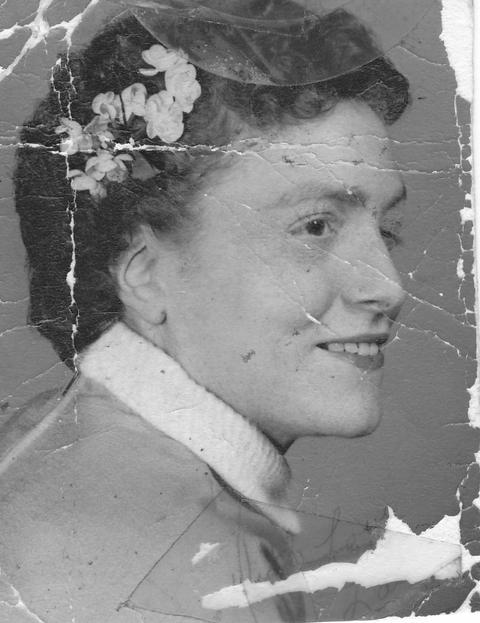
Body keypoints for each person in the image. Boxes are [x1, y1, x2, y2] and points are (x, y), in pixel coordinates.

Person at [0, 1, 466, 621]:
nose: (389, 287)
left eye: (387, 230)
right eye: (316, 226)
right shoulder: (191, 561)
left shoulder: (49, 436)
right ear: (143, 273)